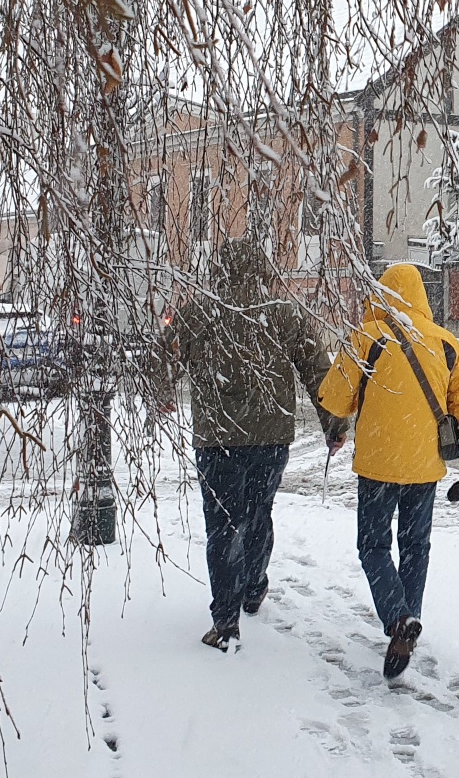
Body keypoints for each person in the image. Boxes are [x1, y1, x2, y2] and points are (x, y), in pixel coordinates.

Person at [318, 263, 459, 679]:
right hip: (424, 466)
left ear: (382, 296)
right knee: (415, 547)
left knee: (373, 546)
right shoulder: (445, 343)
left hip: (378, 465)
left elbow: (333, 399)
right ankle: (407, 620)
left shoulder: (367, 337)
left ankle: (398, 619)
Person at [169, 240, 341, 650]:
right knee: (259, 513)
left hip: (217, 440)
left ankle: (225, 619)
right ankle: (253, 586)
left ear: (219, 272)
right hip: (271, 438)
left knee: (223, 525)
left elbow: (164, 357)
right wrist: (334, 423)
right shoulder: (284, 314)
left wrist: (160, 391)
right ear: (263, 272)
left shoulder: (200, 313)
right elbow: (318, 370)